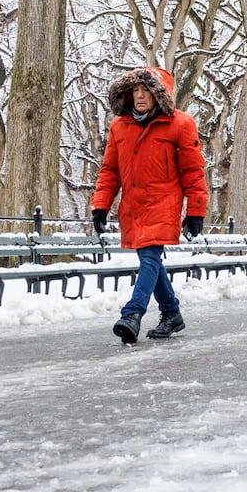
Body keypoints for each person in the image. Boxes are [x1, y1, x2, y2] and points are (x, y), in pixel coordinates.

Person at [91, 66, 209, 343]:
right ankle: (171, 312)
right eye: (135, 90)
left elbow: (193, 171)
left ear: (159, 94)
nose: (140, 96)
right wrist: (100, 206)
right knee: (151, 260)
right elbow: (110, 171)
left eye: (146, 90)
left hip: (163, 203)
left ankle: (133, 313)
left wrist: (195, 210)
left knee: (149, 257)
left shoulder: (180, 124)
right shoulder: (119, 127)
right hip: (133, 205)